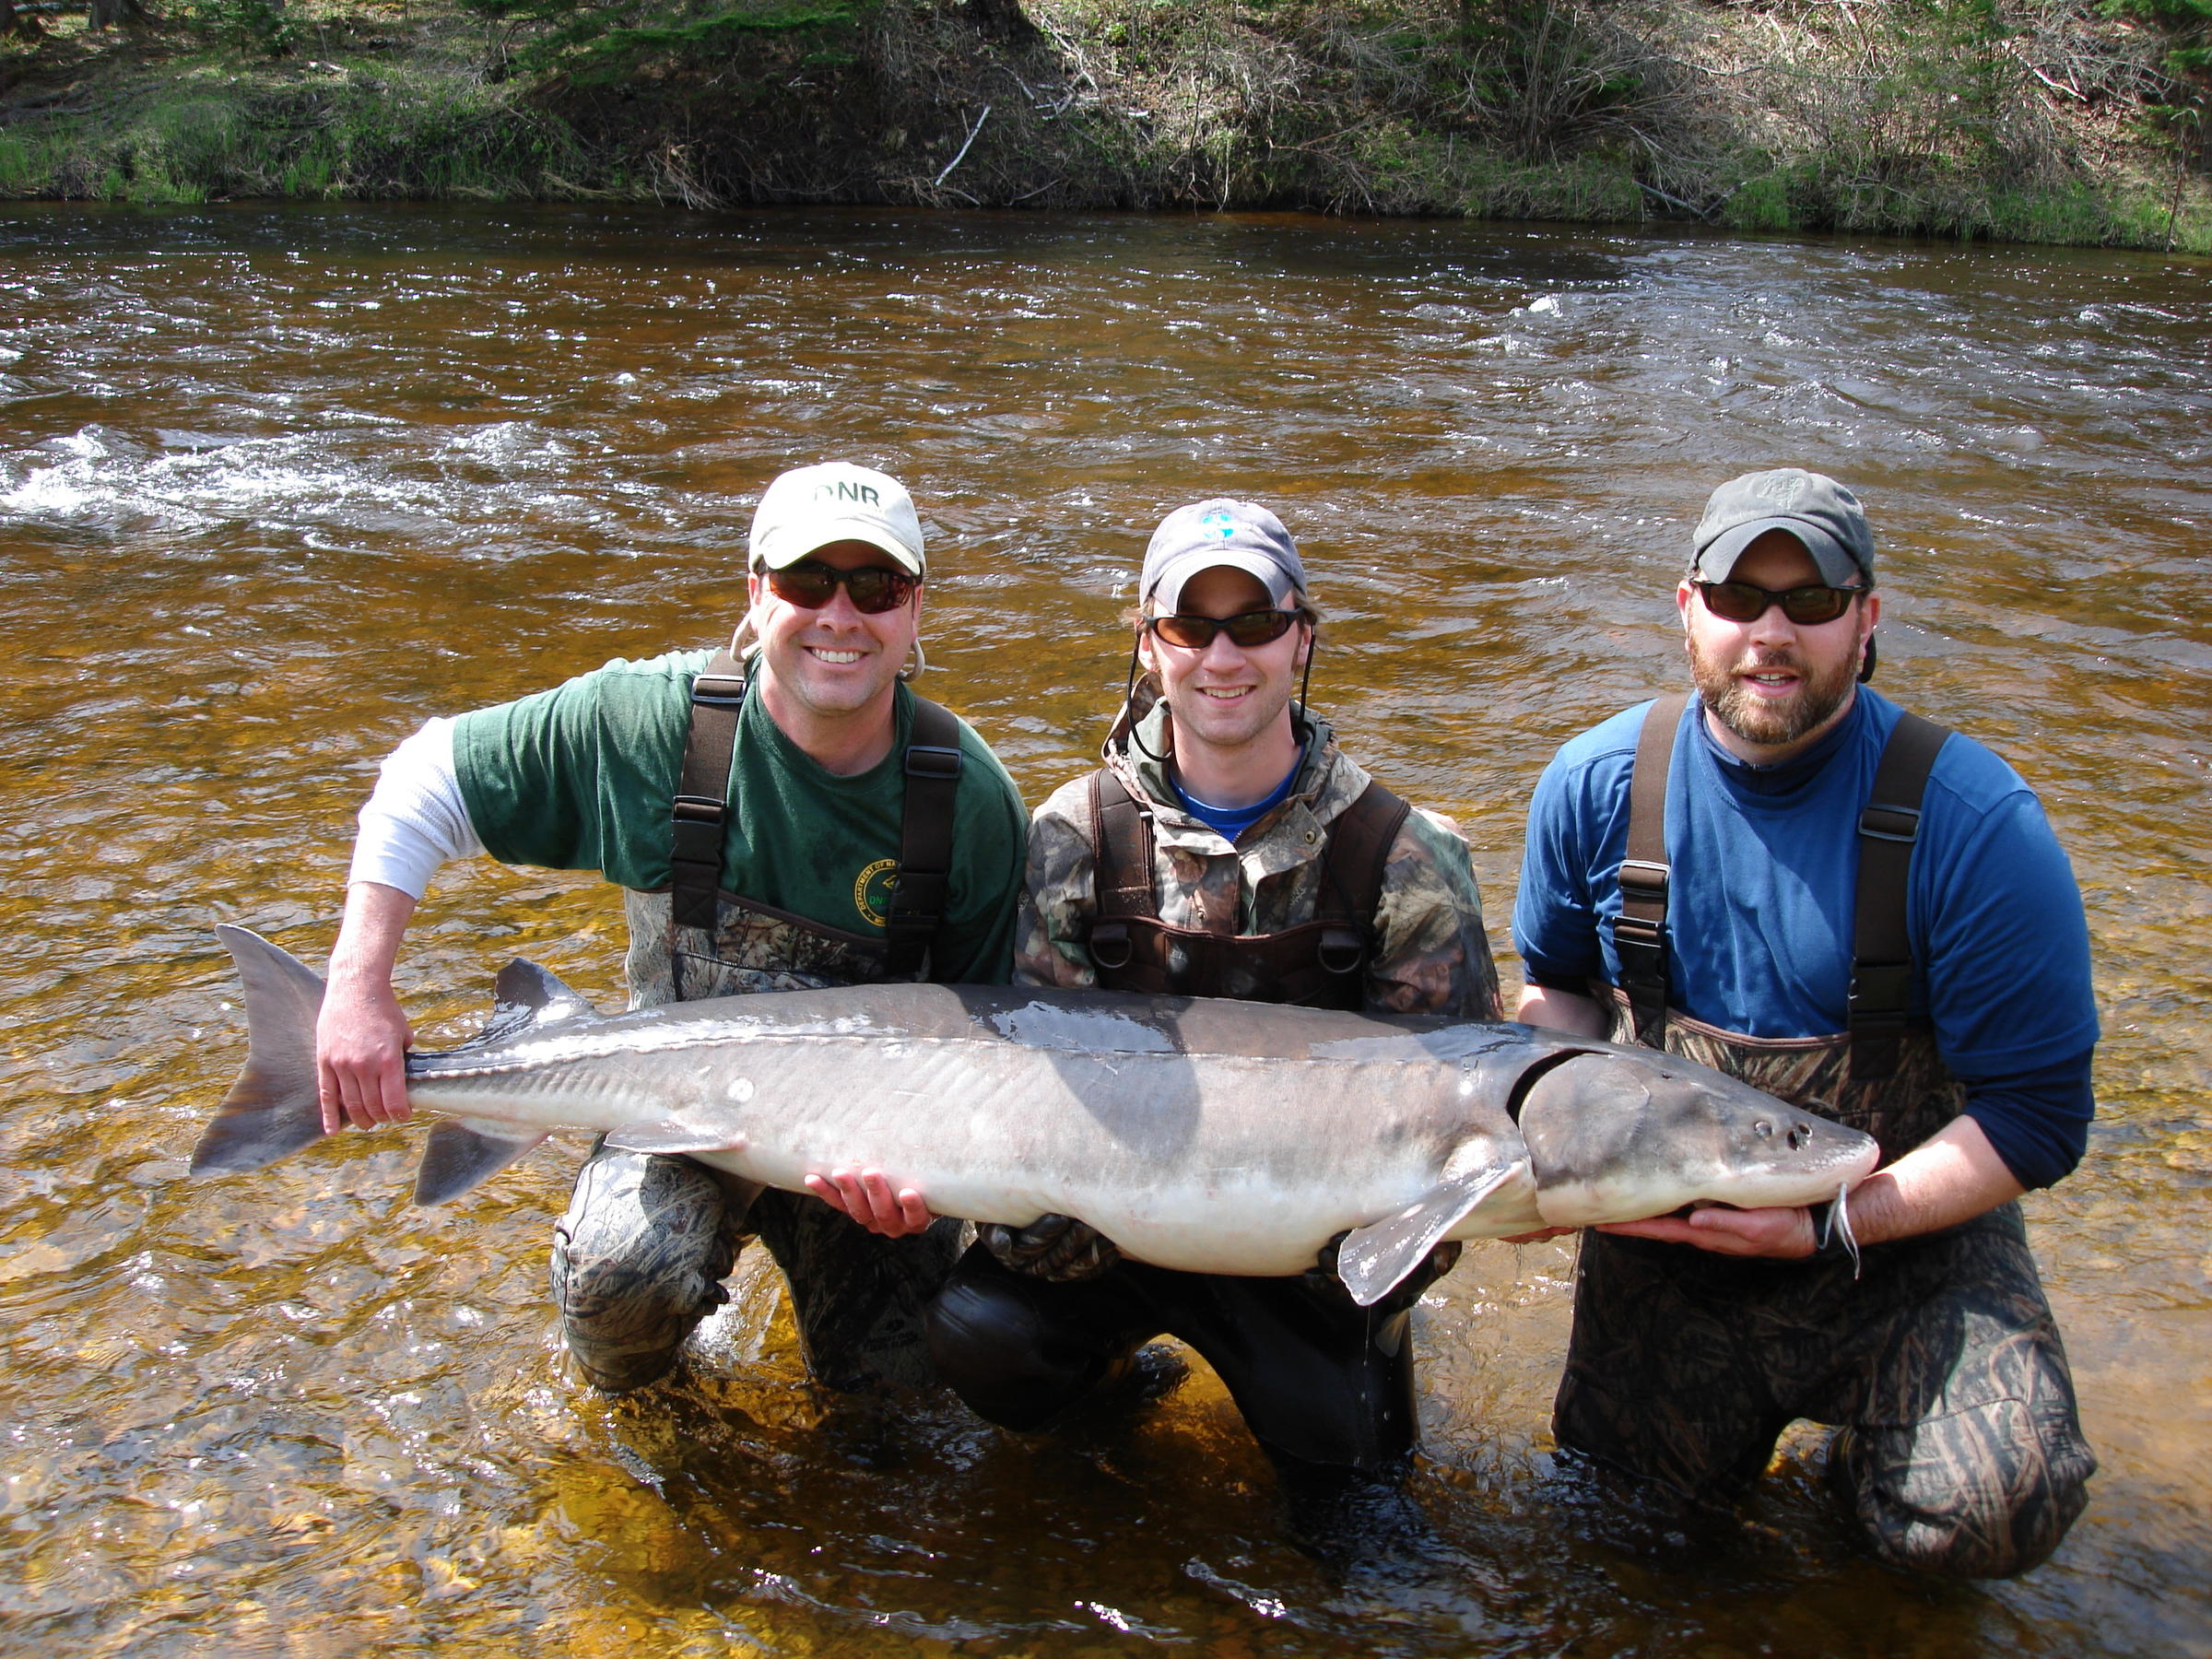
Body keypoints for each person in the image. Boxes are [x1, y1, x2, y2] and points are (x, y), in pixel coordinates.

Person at [315, 461, 1029, 1395]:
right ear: (756, 592)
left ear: (915, 610)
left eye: (876, 586)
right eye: (807, 581)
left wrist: (936, 1188)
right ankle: (665, 1433)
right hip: (674, 1120)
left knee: (899, 1397)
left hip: (862, 1167)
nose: (840, 616)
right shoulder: (649, 726)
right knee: (618, 1282)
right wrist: (359, 990)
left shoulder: (971, 801)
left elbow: (996, 1055)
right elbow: (427, 778)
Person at [1512, 468, 2098, 1577]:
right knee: (1620, 1536)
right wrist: (1533, 1157)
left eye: (1811, 602)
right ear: (1687, 608)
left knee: (1990, 1513)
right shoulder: (1593, 788)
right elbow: (1560, 999)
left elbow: (2040, 1117)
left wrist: (1837, 1223)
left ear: (1865, 622)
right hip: (1672, 1252)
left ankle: (1871, 1463)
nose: (1770, 633)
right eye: (1739, 597)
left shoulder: (1976, 823)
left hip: (1902, 1243)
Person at [925, 499, 1503, 1526]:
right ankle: (1106, 1406)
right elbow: (1019, 1088)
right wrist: (1026, 1224)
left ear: (1302, 641)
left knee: (1364, 1517)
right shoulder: (1071, 835)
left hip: (1307, 1273)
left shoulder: (1407, 854)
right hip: (1106, 1247)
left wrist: (1372, 1258)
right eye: (1191, 627)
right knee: (978, 1333)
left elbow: (1466, 1140)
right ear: (1149, 649)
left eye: (1255, 623)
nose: (1223, 654)